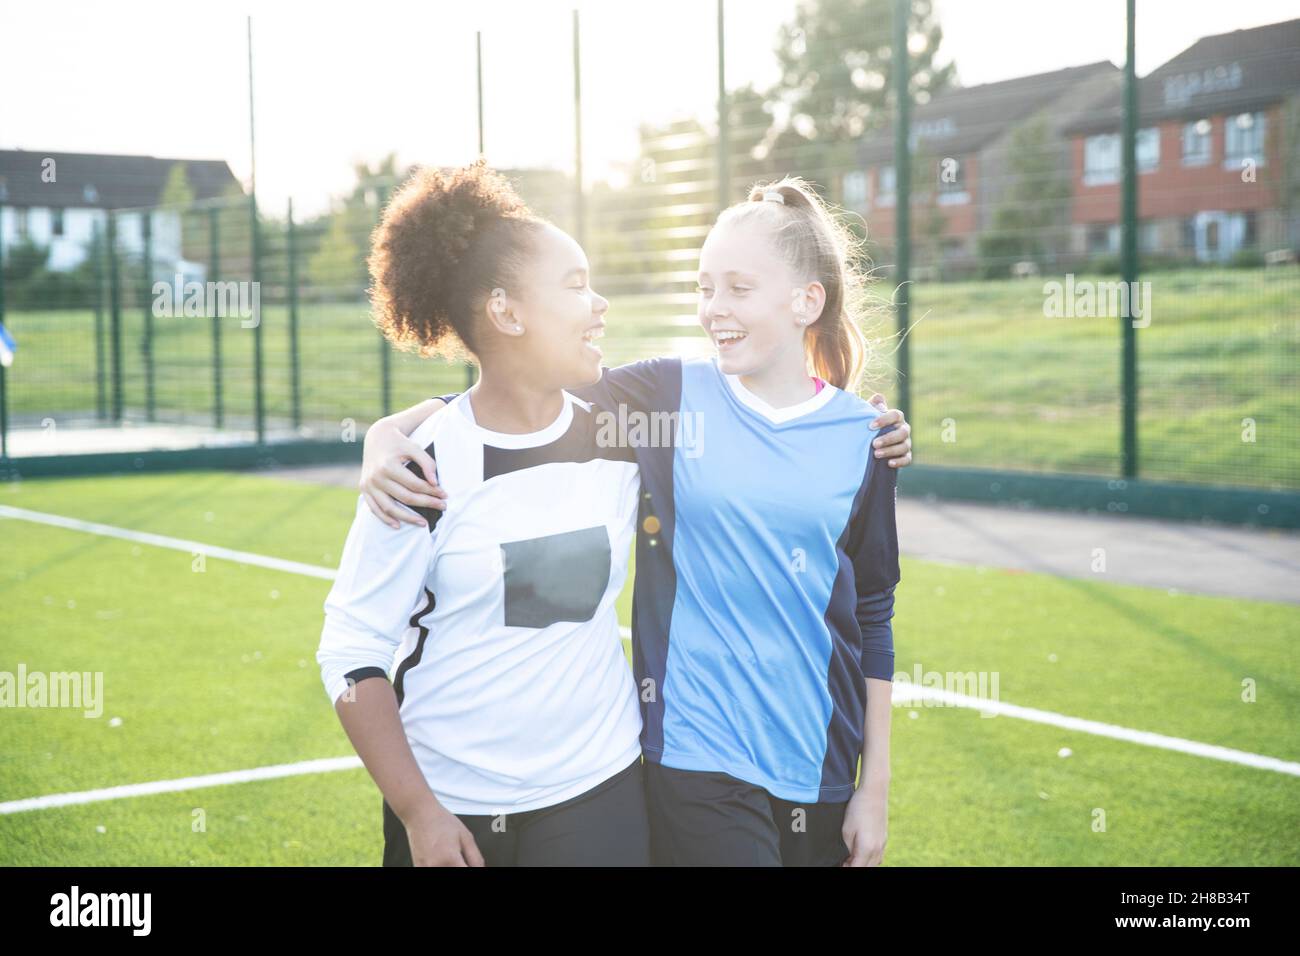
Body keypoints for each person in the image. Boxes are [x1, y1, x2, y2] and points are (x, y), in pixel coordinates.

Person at [362, 175, 909, 866]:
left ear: (808, 301)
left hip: (822, 763)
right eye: (705, 288)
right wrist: (386, 431)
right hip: (695, 755)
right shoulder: (668, 397)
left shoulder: (866, 438)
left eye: (738, 289)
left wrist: (875, 785)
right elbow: (513, 391)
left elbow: (874, 610)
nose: (715, 309)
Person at [316, 160, 650, 867]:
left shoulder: (628, 428)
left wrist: (867, 428)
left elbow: (758, 399)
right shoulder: (419, 467)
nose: (600, 304)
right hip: (454, 812)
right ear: (506, 311)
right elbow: (350, 655)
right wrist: (420, 813)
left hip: (601, 790)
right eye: (575, 285)